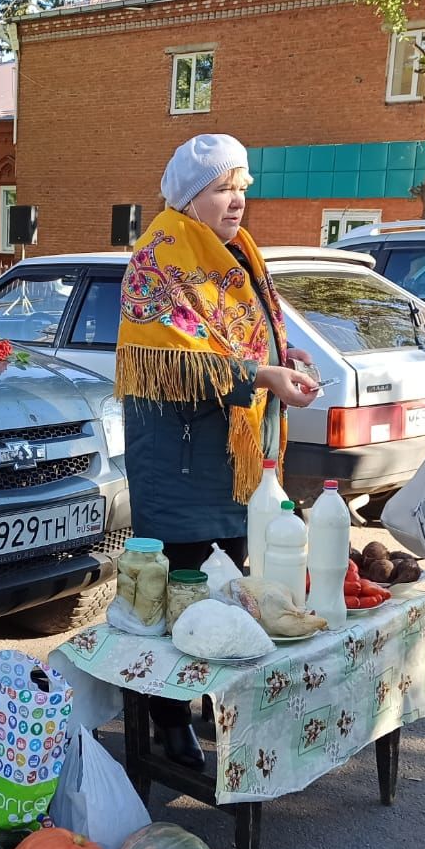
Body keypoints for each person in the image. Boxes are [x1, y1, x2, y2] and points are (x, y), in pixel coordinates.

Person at [116, 133, 319, 768]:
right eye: (223, 188)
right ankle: (167, 721)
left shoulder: (235, 257)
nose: (237, 201)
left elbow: (250, 340)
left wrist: (287, 360)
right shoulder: (160, 260)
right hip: (179, 464)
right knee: (178, 591)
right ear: (188, 195)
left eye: (242, 188)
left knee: (230, 587)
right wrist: (263, 376)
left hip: (233, 464)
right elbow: (176, 364)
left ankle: (212, 703)